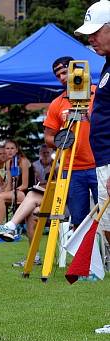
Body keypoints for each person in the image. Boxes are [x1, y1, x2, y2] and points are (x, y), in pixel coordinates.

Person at [42, 56, 98, 228]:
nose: (62, 78)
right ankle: (82, 255)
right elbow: (48, 137)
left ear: (76, 71)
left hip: (100, 164)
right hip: (72, 168)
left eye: (65, 72)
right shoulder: (57, 104)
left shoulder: (99, 93)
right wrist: (61, 142)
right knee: (79, 221)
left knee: (106, 217)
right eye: (58, 75)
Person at [75, 0, 110, 248]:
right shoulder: (107, 63)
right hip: (103, 161)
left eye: (96, 32)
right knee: (107, 227)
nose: (91, 39)